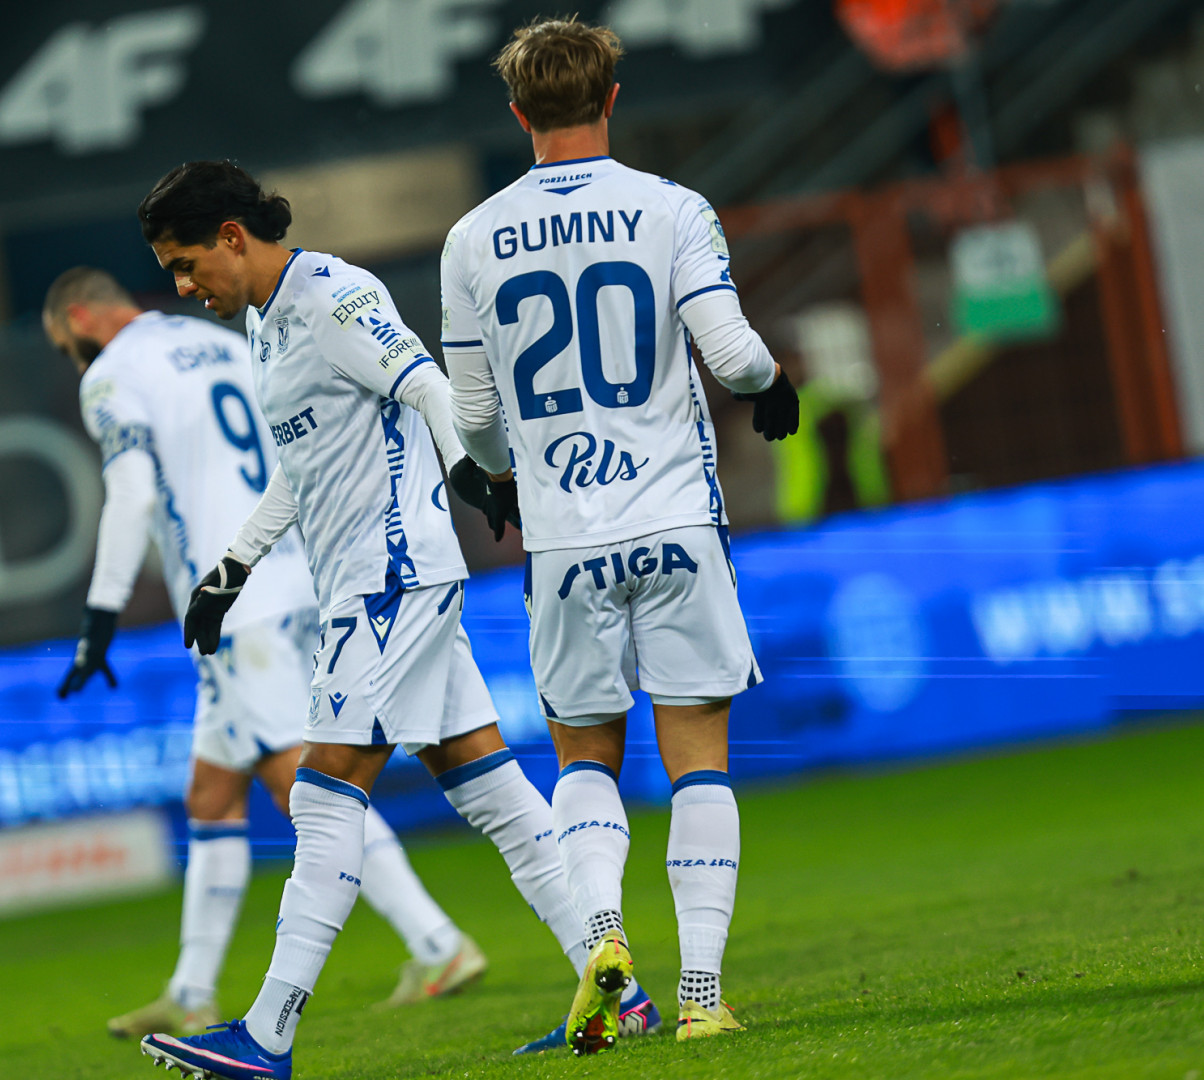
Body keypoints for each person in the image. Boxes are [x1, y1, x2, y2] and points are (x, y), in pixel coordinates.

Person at [132, 161, 664, 1080]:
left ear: (231, 236)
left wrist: (468, 470)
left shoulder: (333, 297)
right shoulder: (266, 321)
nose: (183, 287)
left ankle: (266, 1035)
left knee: (323, 790)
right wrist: (233, 566)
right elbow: (303, 467)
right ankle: (621, 997)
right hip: (373, 583)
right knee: (492, 789)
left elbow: (425, 384)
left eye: (185, 264)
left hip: (390, 581)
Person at [440, 17, 800, 1055]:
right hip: (674, 520)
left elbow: (473, 415)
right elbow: (731, 355)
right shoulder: (671, 207)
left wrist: (499, 477)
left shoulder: (472, 238)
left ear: (518, 113)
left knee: (584, 756)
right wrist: (774, 383)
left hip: (562, 540)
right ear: (610, 98)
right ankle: (700, 996)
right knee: (699, 762)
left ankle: (603, 934)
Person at [44, 268, 490, 1038]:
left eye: (64, 346)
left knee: (308, 785)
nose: (72, 359)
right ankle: (191, 991)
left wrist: (101, 612)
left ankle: (437, 942)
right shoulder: (219, 342)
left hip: (233, 606)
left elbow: (133, 492)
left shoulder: (113, 374)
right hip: (301, 574)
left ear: (80, 317)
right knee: (212, 793)